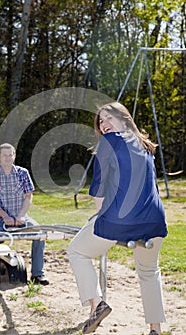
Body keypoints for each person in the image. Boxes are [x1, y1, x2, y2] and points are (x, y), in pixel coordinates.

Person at [67, 102, 167, 335]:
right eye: (100, 122)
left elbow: (100, 190)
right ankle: (155, 329)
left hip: (119, 221)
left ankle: (96, 304)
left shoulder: (109, 142)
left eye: (108, 118)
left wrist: (99, 216)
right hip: (154, 220)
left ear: (124, 118)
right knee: (149, 271)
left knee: (77, 251)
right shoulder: (145, 146)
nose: (104, 125)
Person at [0, 143, 49, 286]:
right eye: (4, 155)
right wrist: (5, 216)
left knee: (40, 234)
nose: (7, 158)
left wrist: (21, 216)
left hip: (20, 216)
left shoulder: (22, 172)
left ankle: (38, 274)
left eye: (10, 155)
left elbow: (28, 196)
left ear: (14, 156)